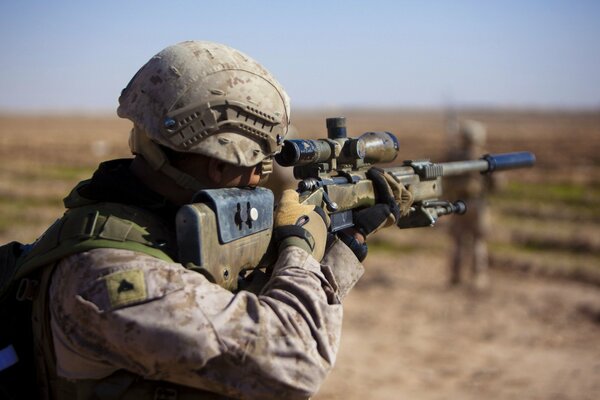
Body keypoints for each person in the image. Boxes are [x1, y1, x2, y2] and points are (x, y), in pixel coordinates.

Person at [27, 41, 402, 400]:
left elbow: (238, 313)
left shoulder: (153, 227)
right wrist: (299, 246)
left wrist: (343, 249)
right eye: (260, 165)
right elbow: (296, 362)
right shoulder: (111, 277)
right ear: (219, 164)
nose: (260, 179)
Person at [445, 119, 498, 290]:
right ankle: (478, 278)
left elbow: (444, 178)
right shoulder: (484, 158)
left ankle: (456, 277)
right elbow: (497, 184)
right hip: (478, 204)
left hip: (459, 204)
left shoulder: (455, 156)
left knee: (459, 242)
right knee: (477, 242)